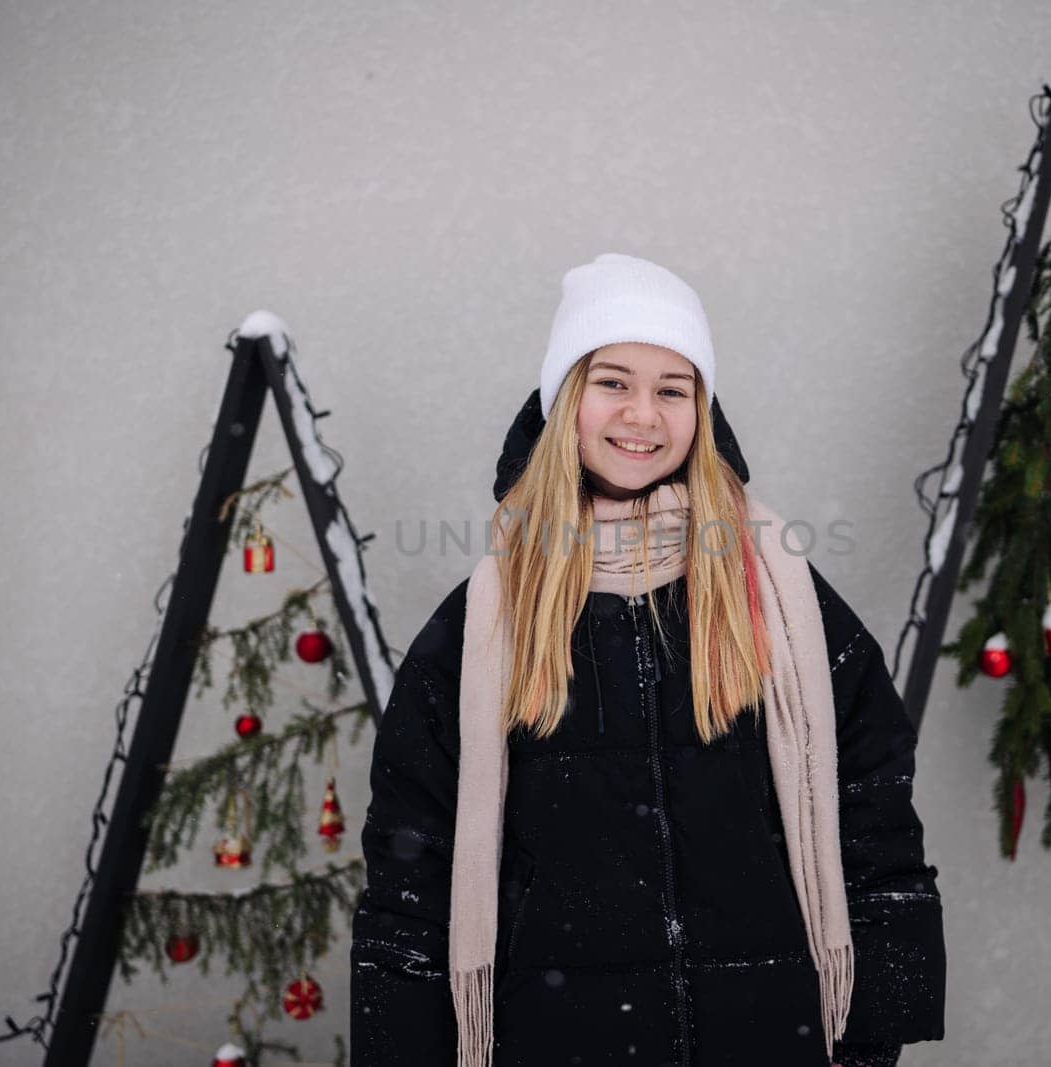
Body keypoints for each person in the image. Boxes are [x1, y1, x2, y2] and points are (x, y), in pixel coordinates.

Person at [350, 253, 945, 1066]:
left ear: (702, 410)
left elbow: (872, 802)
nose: (643, 413)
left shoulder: (777, 592)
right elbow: (408, 867)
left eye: (673, 388)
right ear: (565, 400)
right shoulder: (483, 623)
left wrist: (877, 1018)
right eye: (612, 381)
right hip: (559, 1037)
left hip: (768, 1030)